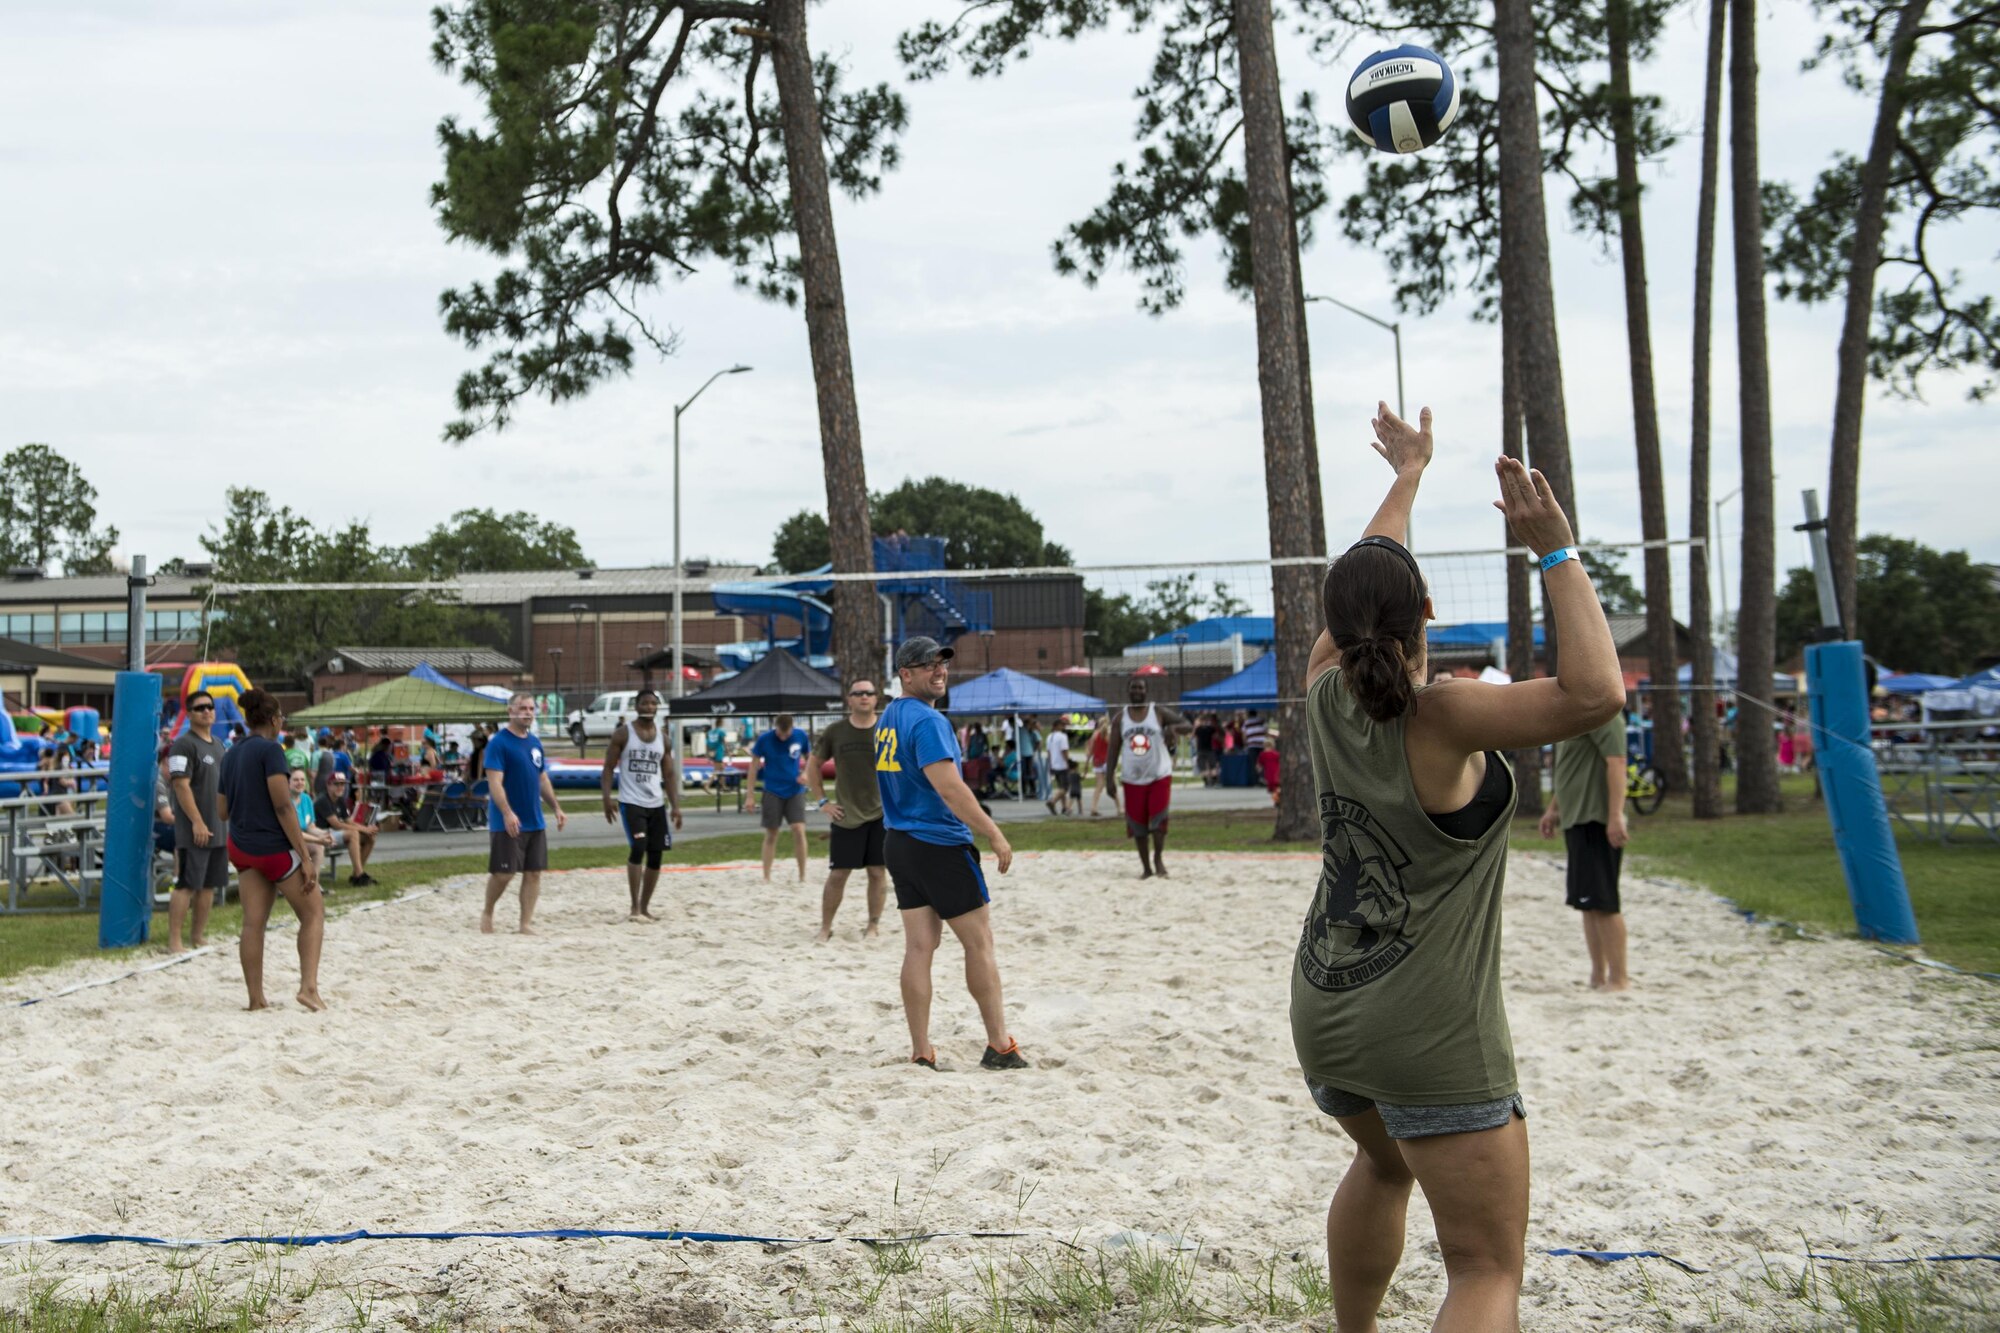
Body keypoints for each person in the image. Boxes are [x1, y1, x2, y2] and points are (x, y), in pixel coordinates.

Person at [1294, 403, 1624, 1333]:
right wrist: (1555, 548)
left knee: (1383, 1163)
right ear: (1427, 613)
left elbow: (1361, 581)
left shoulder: (1322, 688)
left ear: (1336, 626)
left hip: (1327, 1003)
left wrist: (1409, 475)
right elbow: (1596, 692)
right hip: (1429, 1027)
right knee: (1483, 1268)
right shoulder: (1441, 715)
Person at [876, 637, 1025, 1071]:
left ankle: (922, 1049)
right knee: (979, 944)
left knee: (919, 947)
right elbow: (949, 787)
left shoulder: (890, 716)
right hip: (938, 843)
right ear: (905, 674)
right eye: (927, 665)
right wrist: (994, 833)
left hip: (899, 842)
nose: (939, 670)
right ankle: (999, 1045)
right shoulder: (926, 721)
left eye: (941, 663)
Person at [217, 689, 325, 1011]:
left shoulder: (231, 754)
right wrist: (305, 857)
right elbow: (283, 806)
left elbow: (222, 811)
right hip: (273, 848)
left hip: (241, 846)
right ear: (275, 719)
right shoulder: (271, 751)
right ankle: (308, 988)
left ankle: (256, 1000)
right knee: (314, 913)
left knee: (252, 924)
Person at [1539, 708, 1632, 991]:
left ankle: (1619, 978)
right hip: (1575, 819)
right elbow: (1572, 768)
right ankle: (1598, 976)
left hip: (1597, 819)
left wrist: (1615, 815)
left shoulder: (1607, 718)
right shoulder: (1577, 718)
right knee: (1587, 903)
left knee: (1604, 902)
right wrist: (1554, 809)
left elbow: (1616, 763)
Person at [810, 677, 889, 942]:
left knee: (877, 872)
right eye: (858, 693)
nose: (864, 697)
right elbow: (812, 767)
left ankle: (873, 925)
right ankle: (825, 927)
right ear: (850, 699)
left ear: (876, 698)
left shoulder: (888, 730)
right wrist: (823, 802)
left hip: (881, 814)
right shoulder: (836, 731)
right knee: (838, 874)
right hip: (846, 816)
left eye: (869, 692)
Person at [483, 690, 568, 934]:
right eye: (522, 708)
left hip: (534, 819)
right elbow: (495, 784)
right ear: (510, 711)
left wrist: (556, 808)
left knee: (533, 873)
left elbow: (542, 778)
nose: (528, 713)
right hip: (507, 820)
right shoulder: (498, 743)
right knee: (503, 873)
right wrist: (508, 812)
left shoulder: (534, 742)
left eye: (531, 709)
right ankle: (488, 912)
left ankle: (525, 924)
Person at [600, 688, 681, 922]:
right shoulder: (623, 734)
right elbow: (607, 768)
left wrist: (675, 806)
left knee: (656, 856)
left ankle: (645, 907)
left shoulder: (663, 739)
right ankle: (634, 907)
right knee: (639, 846)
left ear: (657, 707)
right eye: (644, 704)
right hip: (630, 801)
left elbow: (670, 775)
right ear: (637, 707)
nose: (649, 708)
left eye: (653, 704)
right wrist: (606, 798)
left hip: (655, 803)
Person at [1104, 678, 1192, 878]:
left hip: (1158, 775)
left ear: (1146, 691)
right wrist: (1109, 779)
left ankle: (1158, 860)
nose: (1137, 690)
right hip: (1132, 779)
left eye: (1140, 688)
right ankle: (1146, 867)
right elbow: (1113, 750)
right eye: (1133, 687)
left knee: (1158, 821)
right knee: (1138, 826)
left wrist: (1174, 729)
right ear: (1128, 691)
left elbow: (1187, 724)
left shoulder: (1158, 712)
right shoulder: (1120, 718)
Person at [166, 690, 228, 954]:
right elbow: (180, 786)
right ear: (190, 714)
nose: (207, 711)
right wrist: (197, 822)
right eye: (200, 707)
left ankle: (198, 936)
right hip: (195, 828)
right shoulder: (183, 744)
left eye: (210, 707)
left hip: (218, 826)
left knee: (208, 885)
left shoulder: (218, 744)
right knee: (187, 884)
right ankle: (174, 941)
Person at [750, 713, 811, 883]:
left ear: (792, 728)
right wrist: (750, 796)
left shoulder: (800, 736)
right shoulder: (765, 739)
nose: (783, 737)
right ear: (775, 727)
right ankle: (766, 876)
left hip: (795, 789)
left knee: (799, 830)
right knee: (772, 833)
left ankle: (802, 876)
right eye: (780, 733)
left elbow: (810, 757)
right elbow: (753, 767)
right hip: (772, 790)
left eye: (787, 734)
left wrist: (806, 773)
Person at [318, 772, 379, 886]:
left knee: (370, 837)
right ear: (329, 785)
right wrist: (364, 829)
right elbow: (337, 824)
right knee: (353, 833)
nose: (340, 787)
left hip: (334, 834)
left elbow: (349, 821)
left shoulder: (340, 799)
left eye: (342, 784)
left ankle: (356, 875)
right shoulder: (323, 800)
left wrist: (367, 829)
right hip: (321, 835)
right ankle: (360, 875)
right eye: (337, 784)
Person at [289, 767, 336, 885]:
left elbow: (310, 826)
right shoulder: (285, 802)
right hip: (286, 842)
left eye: (302, 780)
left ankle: (312, 882)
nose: (300, 783)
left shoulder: (306, 799)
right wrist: (319, 840)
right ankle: (313, 885)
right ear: (287, 782)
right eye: (295, 780)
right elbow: (294, 832)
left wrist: (326, 834)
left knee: (320, 846)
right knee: (318, 847)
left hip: (301, 840)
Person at [1044, 718, 1078, 815]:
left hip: (1054, 765)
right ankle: (1053, 801)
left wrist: (1050, 764)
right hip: (1062, 765)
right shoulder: (1062, 737)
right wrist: (1068, 762)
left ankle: (1065, 807)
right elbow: (1064, 751)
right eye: (1062, 725)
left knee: (1060, 787)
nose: (1063, 727)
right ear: (1057, 726)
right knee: (1065, 787)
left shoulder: (1049, 737)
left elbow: (1049, 752)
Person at [1087, 717, 1111, 817]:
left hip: (1097, 762)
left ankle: (1093, 807)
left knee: (1099, 786)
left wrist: (1087, 762)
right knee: (1112, 783)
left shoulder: (1094, 734)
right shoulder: (1107, 734)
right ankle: (1119, 808)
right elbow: (1111, 747)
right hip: (1106, 761)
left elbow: (1090, 751)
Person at [1259, 735, 1282, 807]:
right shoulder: (1276, 754)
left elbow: (1259, 764)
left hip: (1269, 773)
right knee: (1277, 787)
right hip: (1276, 772)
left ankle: (1276, 800)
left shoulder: (1263, 754)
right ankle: (1277, 800)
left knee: (1273, 789)